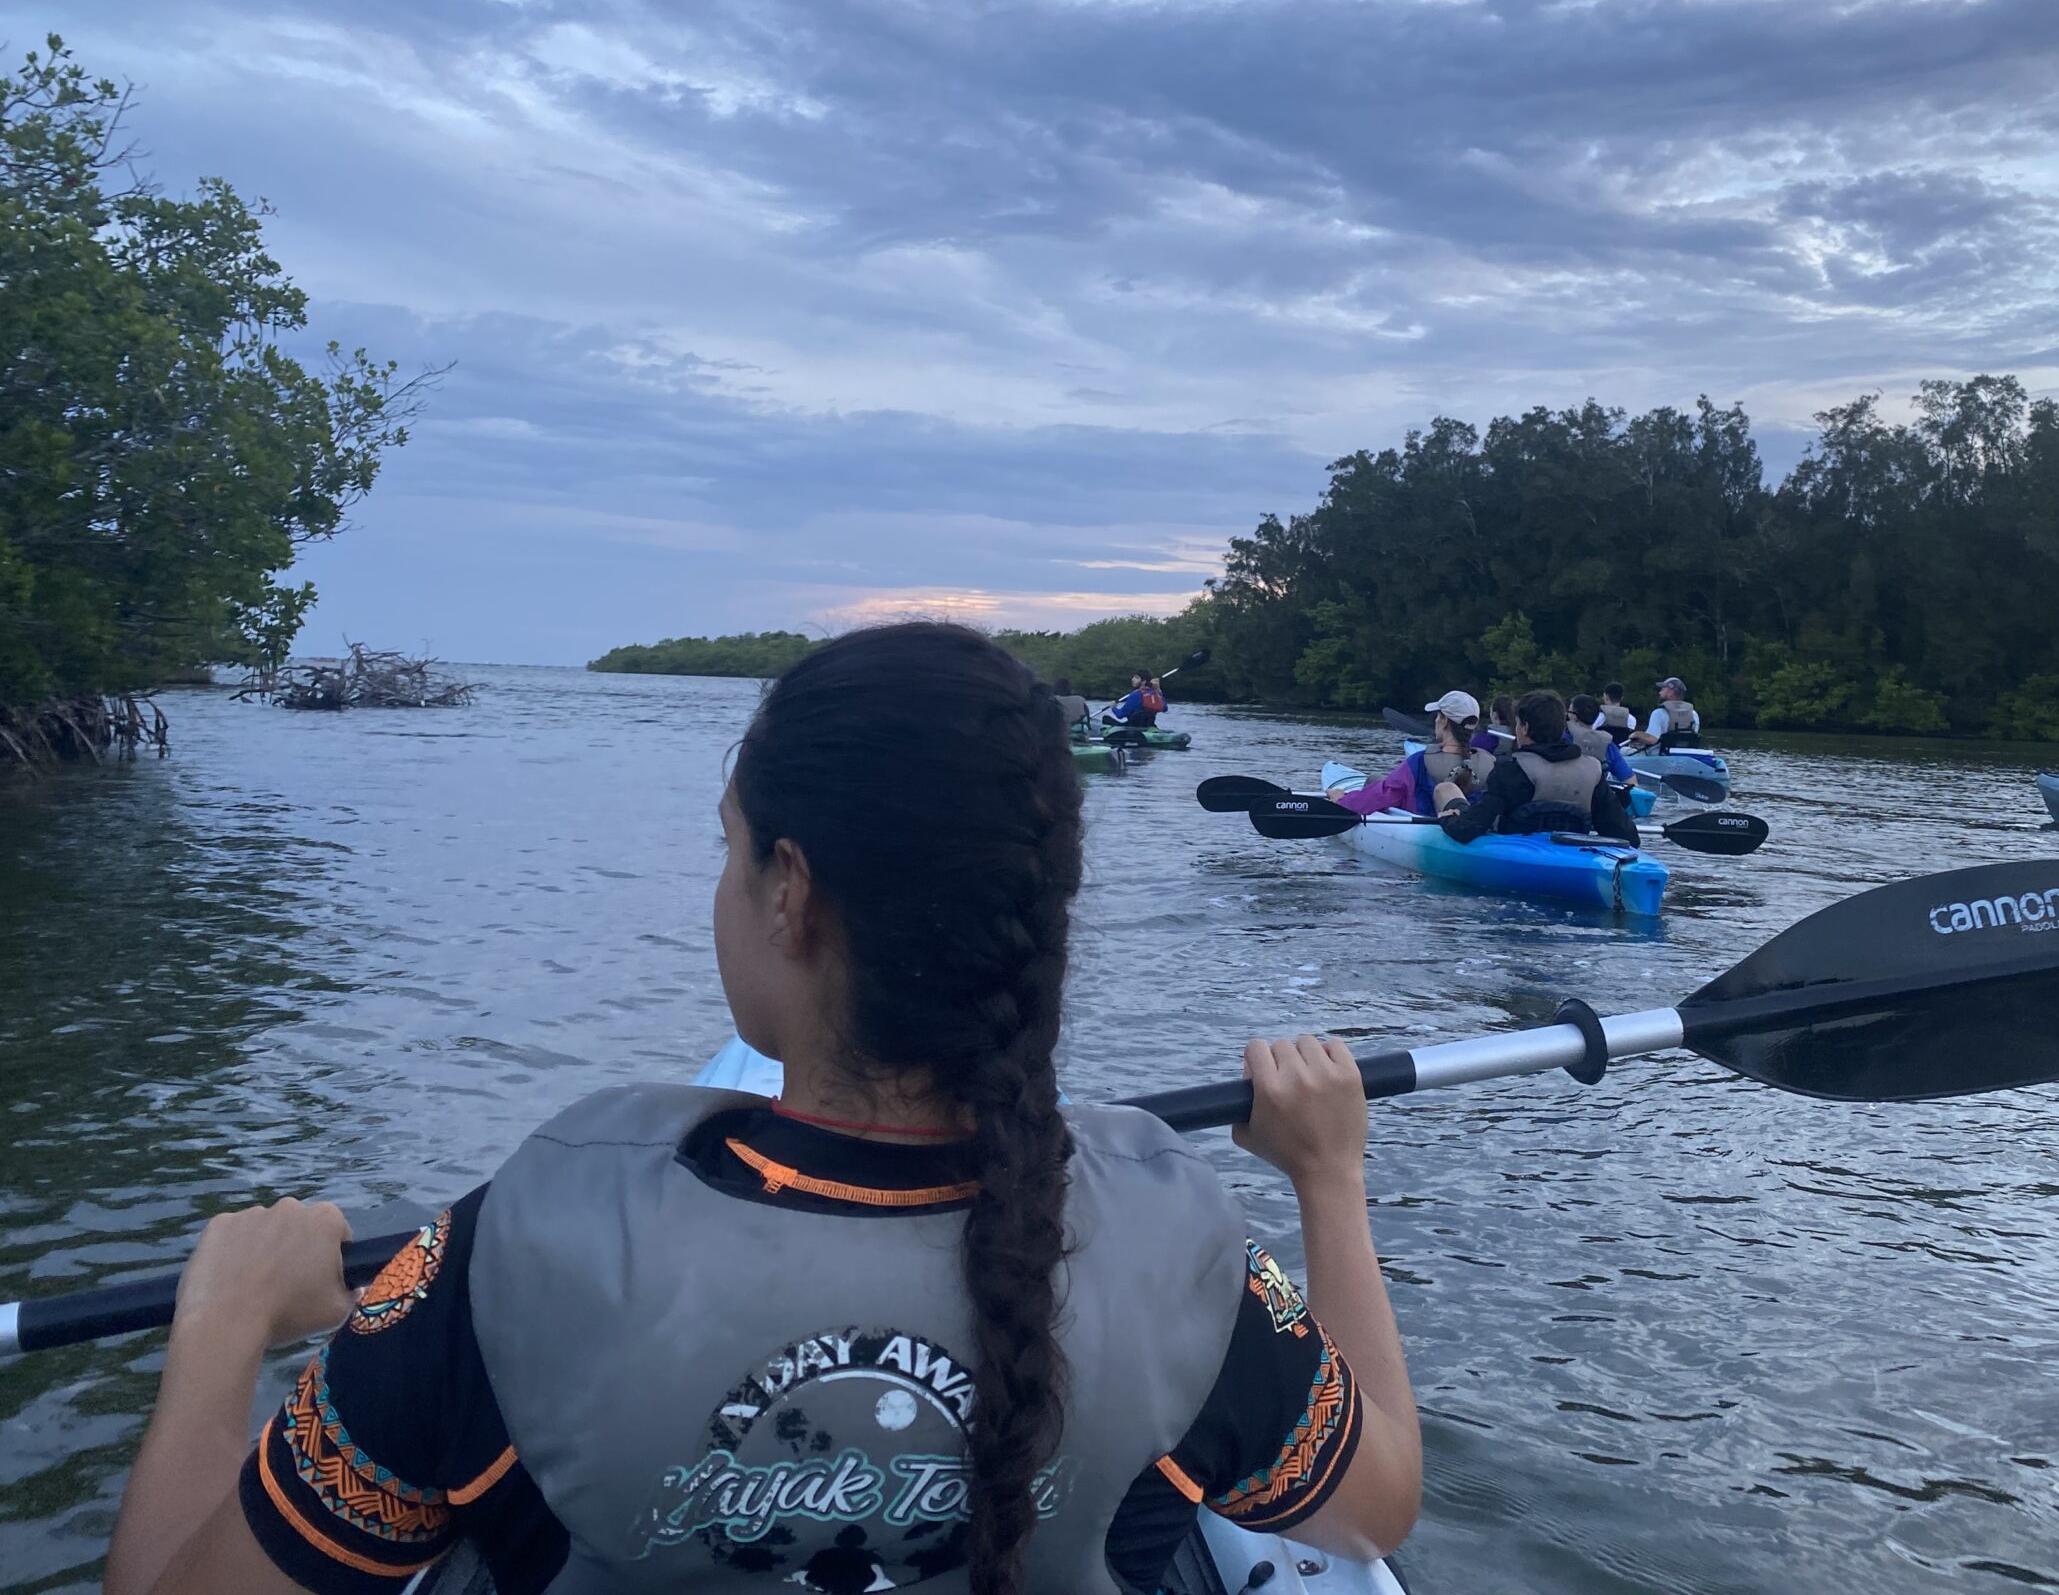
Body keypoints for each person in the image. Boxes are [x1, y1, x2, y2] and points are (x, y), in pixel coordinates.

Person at [102, 623, 1421, 1595]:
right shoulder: (1184, 1242)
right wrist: (1327, 1179)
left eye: (725, 848)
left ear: (789, 890)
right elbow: (1375, 1508)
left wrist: (223, 1326)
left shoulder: (520, 1243)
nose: (722, 888)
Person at [1443, 690, 1641, 847]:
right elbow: (1628, 838)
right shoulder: (1593, 771)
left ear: (1526, 728)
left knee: (1446, 792)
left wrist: (1451, 816)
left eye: (1518, 723)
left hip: (1516, 856)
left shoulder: (1510, 770)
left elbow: (1466, 830)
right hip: (1571, 857)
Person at [1335, 695, 1482, 818]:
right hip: (1471, 827)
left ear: (1444, 722)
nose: (1436, 720)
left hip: (1425, 829)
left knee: (1375, 780)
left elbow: (1383, 796)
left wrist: (1341, 801)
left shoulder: (1420, 760)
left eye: (1438, 716)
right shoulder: (1489, 762)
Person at [1567, 693, 1640, 794]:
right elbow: (1632, 782)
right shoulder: (1609, 746)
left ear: (1574, 717)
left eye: (1569, 712)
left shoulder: (1561, 739)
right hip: (1598, 800)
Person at [1643, 677, 1703, 752]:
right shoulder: (1694, 714)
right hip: (1685, 757)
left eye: (1662, 689)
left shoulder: (1658, 713)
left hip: (1660, 757)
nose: (1659, 692)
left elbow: (1651, 740)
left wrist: (1636, 735)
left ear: (1670, 692)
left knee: (1625, 750)